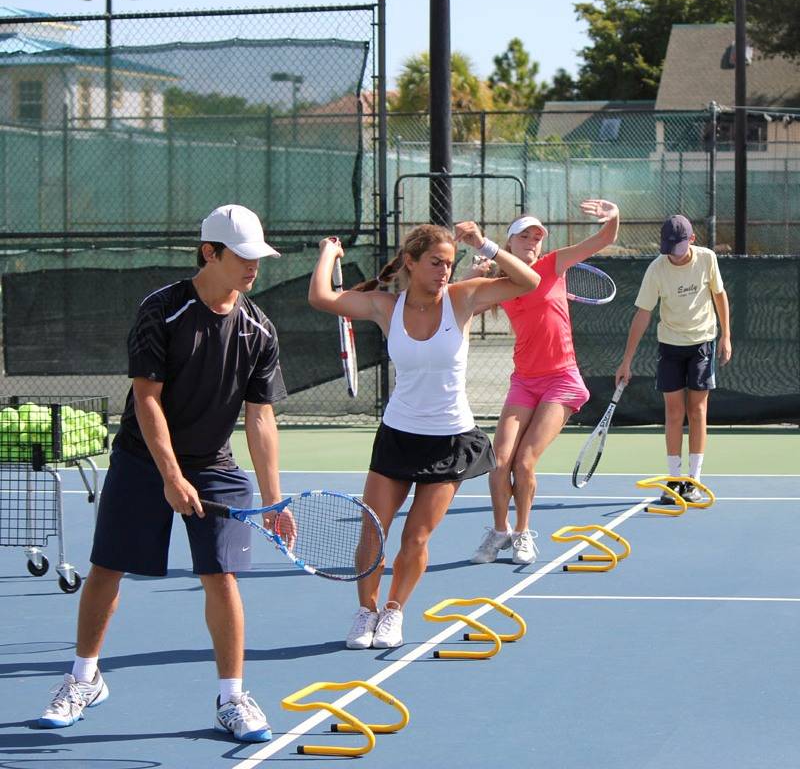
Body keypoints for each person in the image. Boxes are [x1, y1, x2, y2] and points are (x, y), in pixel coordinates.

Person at [37, 204, 288, 743]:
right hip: (143, 458)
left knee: (220, 577)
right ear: (209, 252)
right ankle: (84, 678)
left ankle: (232, 697)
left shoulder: (257, 329)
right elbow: (146, 401)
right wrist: (172, 476)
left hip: (215, 464)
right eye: (243, 257)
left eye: (258, 258)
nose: (253, 268)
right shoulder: (162, 310)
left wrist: (274, 499)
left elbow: (261, 416)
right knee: (106, 568)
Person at [308, 223, 540, 649]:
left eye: (450, 264)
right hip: (398, 435)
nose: (444, 271)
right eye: (436, 263)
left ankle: (394, 611)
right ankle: (366, 612)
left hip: (449, 441)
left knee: (416, 536)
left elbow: (528, 280)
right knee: (372, 531)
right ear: (411, 263)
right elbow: (322, 297)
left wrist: (483, 243)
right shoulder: (385, 306)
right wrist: (328, 253)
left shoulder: (464, 298)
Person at [470, 200, 621, 565]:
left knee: (524, 463)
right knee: (498, 461)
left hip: (561, 380)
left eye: (537, 237)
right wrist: (472, 274)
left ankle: (523, 533)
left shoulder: (553, 265)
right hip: (524, 381)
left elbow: (602, 239)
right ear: (509, 244)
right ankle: (500, 530)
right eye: (525, 236)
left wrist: (613, 217)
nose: (533, 242)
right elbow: (460, 307)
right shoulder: (499, 284)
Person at [615, 214, 731, 504]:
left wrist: (726, 335)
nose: (672, 255)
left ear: (691, 240)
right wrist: (626, 360)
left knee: (698, 411)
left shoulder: (706, 259)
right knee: (674, 413)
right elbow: (643, 313)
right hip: (670, 346)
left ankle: (693, 480)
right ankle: (675, 479)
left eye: (677, 248)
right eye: (668, 247)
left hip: (702, 343)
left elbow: (719, 295)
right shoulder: (657, 269)